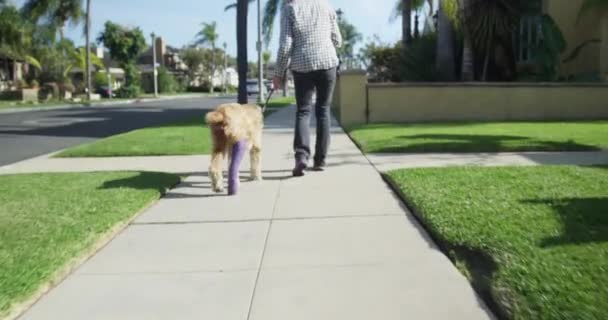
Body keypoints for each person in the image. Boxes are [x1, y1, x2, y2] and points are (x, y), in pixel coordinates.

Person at [272, 0, 342, 177]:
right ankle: (320, 160)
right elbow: (337, 40)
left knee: (303, 111)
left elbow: (285, 46)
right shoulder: (325, 6)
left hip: (302, 66)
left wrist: (278, 73)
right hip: (327, 63)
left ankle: (302, 156)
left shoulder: (289, 9)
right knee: (323, 110)